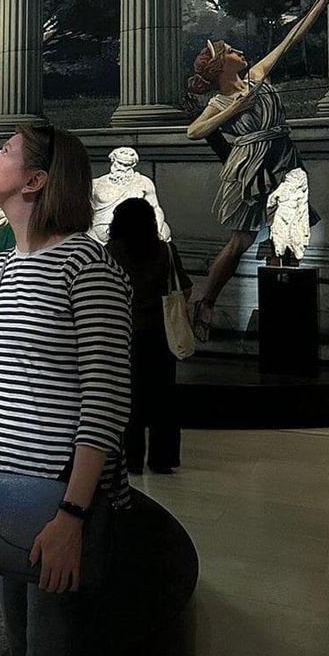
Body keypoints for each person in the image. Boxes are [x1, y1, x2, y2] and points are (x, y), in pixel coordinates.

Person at [0, 124, 132, 656]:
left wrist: (72, 516)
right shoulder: (0, 268)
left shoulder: (87, 267)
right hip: (12, 499)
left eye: (5, 151)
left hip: (63, 508)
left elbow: (106, 398)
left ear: (36, 180)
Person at [185, 0, 329, 340]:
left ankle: (285, 316)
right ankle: (207, 302)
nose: (239, 51)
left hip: (283, 159)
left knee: (290, 232)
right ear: (221, 66)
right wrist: (234, 109)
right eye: (231, 50)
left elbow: (290, 40)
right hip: (250, 167)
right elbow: (195, 131)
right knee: (241, 241)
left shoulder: (256, 76)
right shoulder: (219, 102)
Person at [106, 197, 190, 474]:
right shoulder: (166, 250)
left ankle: (131, 459)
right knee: (163, 398)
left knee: (128, 397)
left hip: (124, 333)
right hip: (161, 333)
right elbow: (184, 287)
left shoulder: (110, 252)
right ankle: (162, 459)